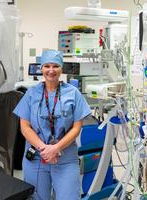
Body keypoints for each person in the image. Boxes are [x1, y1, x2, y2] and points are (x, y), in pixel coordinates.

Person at [13, 49, 91, 200]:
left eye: (55, 66)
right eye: (47, 66)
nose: (51, 70)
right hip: (36, 157)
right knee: (36, 197)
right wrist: (45, 150)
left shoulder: (73, 93)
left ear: (61, 68)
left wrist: (56, 148)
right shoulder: (31, 93)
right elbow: (25, 127)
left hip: (65, 157)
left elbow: (76, 127)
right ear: (41, 68)